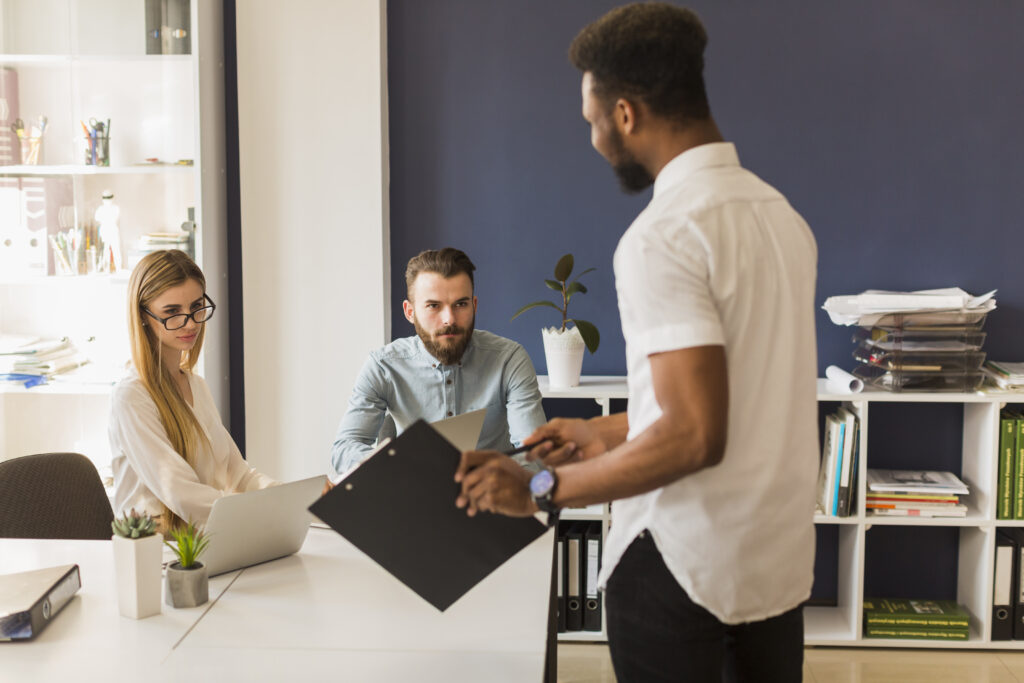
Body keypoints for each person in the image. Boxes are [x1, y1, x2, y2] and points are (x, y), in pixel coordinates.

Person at [454, 4, 818, 682]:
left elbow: (692, 436)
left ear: (625, 113)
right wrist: (607, 430)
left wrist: (539, 486)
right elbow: (740, 398)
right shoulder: (781, 218)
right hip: (774, 571)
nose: (593, 139)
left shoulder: (665, 236)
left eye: (592, 120)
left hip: (683, 571)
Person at [329, 247, 546, 480]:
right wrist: (393, 464)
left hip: (492, 499)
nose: (449, 319)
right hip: (411, 498)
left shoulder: (510, 359)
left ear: (474, 304)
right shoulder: (383, 366)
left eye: (460, 304)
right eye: (433, 306)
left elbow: (535, 456)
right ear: (410, 312)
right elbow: (343, 450)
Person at [109, 249, 277, 531]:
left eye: (197, 307)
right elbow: (179, 491)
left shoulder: (195, 386)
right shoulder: (132, 396)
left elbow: (238, 476)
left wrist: (297, 499)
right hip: (160, 552)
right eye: (172, 312)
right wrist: (258, 518)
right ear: (143, 316)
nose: (190, 322)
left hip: (202, 538)